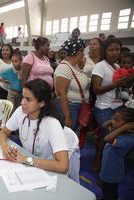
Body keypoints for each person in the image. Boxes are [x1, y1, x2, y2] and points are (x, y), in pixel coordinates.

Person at [0, 79, 69, 173]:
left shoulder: (51, 123)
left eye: (28, 99)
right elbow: (3, 132)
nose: (22, 102)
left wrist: (25, 159)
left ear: (41, 103)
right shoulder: (20, 111)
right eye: (23, 97)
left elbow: (63, 166)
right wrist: (4, 147)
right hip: (30, 165)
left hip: (47, 170)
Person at [91, 38, 133, 171]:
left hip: (117, 106)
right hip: (103, 107)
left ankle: (100, 163)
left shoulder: (117, 67)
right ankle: (104, 167)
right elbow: (96, 89)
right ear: (105, 51)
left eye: (117, 49)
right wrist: (117, 84)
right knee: (110, 138)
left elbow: (123, 86)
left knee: (104, 138)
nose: (115, 52)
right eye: (111, 50)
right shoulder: (100, 66)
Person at [99, 101, 134, 200]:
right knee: (106, 190)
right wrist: (116, 122)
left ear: (128, 126)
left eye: (116, 120)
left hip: (113, 171)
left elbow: (107, 139)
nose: (113, 122)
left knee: (110, 193)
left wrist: (124, 127)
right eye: (113, 119)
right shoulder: (119, 132)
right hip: (107, 168)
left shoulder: (127, 139)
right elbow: (104, 125)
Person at [54, 38, 88, 131]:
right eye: (83, 51)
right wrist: (67, 117)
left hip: (75, 106)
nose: (84, 54)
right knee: (66, 135)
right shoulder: (64, 68)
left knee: (71, 134)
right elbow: (61, 94)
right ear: (79, 52)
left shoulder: (74, 65)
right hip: (69, 107)